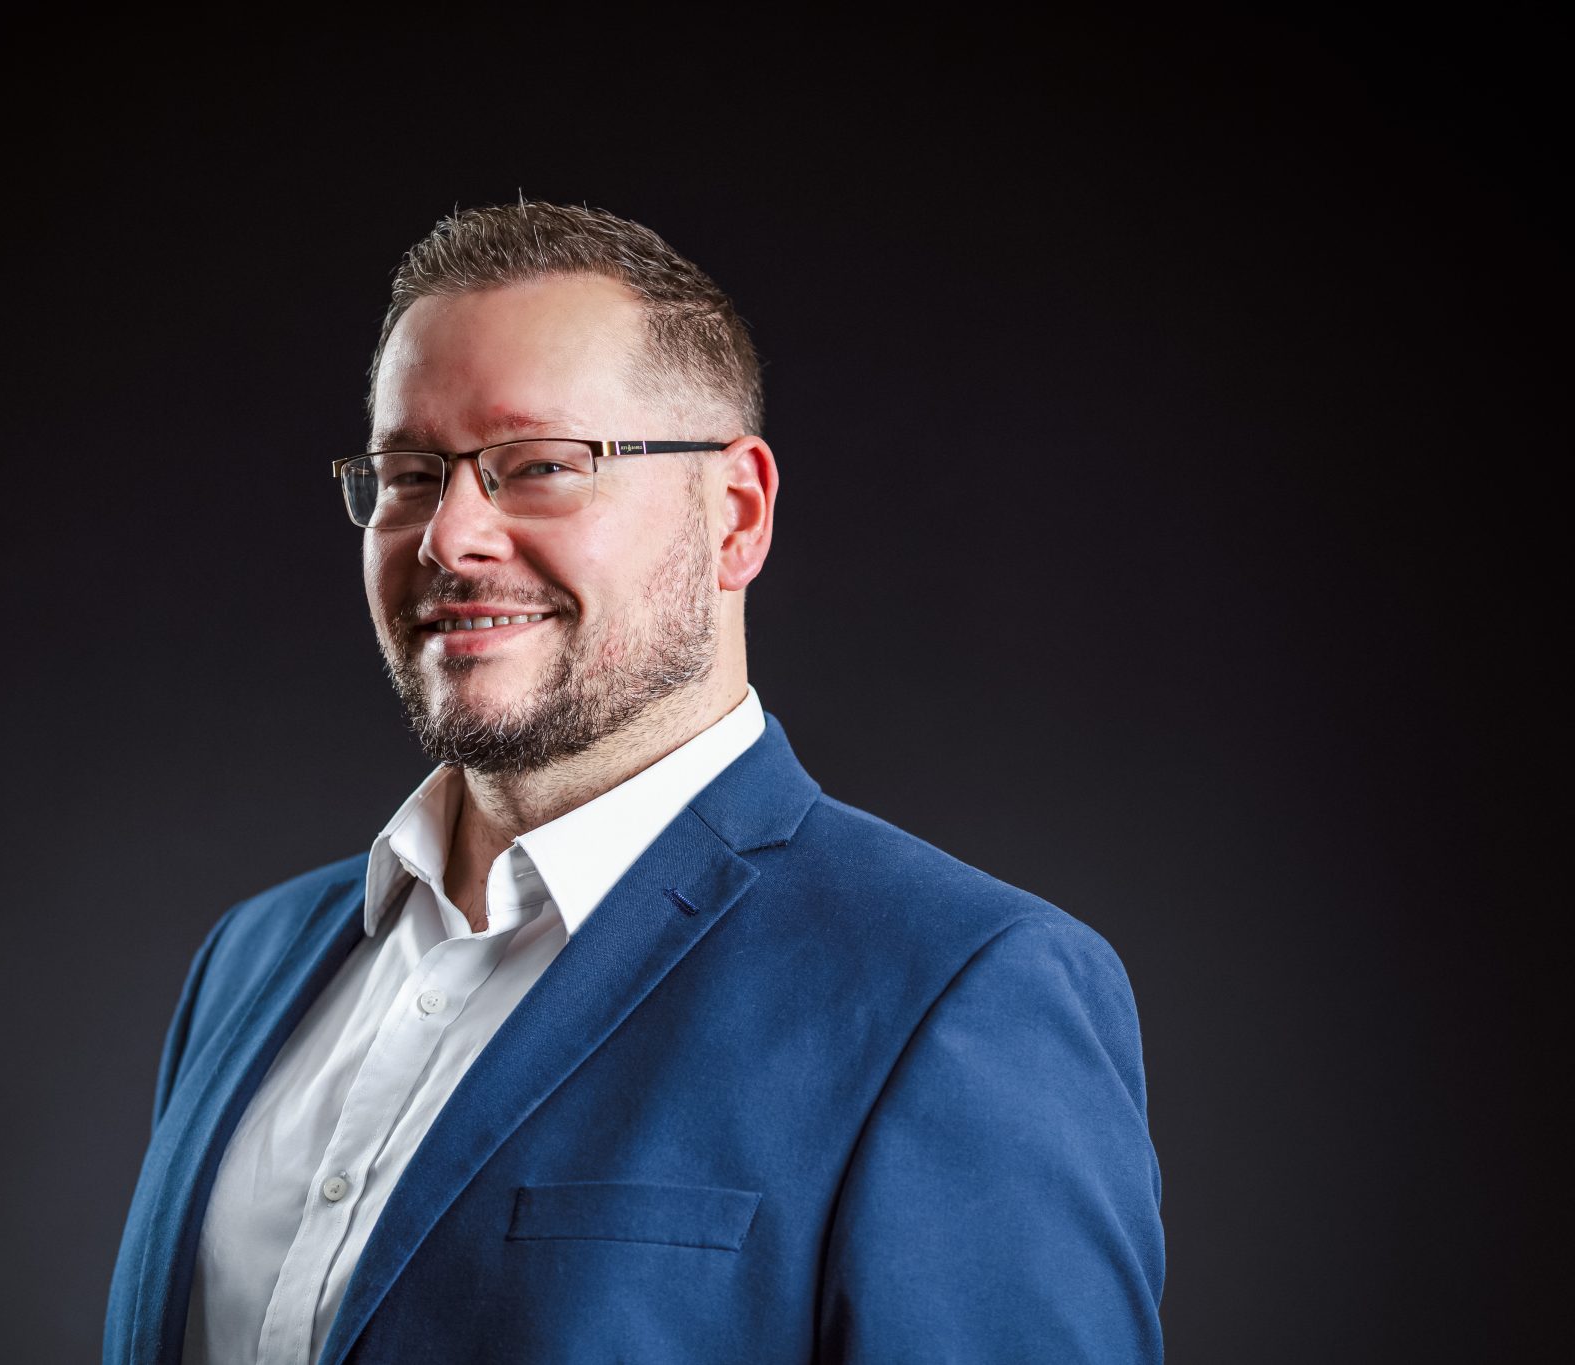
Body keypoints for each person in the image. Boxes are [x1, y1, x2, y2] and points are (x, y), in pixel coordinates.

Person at [104, 202, 1164, 1365]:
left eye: (540, 467)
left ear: (735, 517)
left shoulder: (955, 992)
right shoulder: (247, 962)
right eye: (410, 473)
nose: (448, 537)